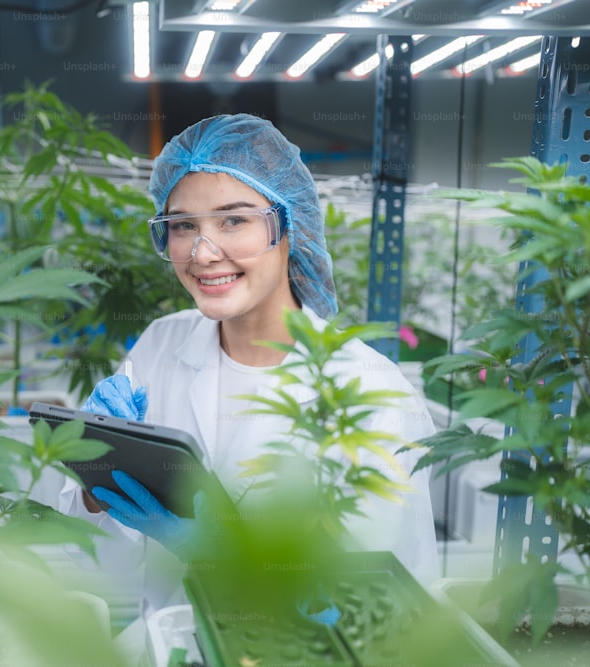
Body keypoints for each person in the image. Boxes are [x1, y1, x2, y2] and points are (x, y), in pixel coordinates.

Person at [56, 113, 438, 619]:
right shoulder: (160, 344)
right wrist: (92, 480)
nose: (203, 252)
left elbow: (381, 603)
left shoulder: (372, 395)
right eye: (183, 226)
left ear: (288, 225)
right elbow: (98, 556)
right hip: (169, 642)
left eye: (233, 220)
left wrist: (228, 559)